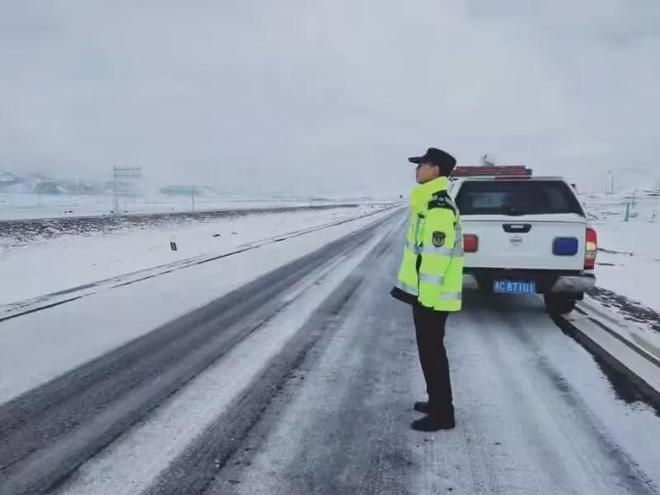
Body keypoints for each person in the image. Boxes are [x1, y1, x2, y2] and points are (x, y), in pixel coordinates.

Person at [390, 147, 464, 432]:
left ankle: (443, 413)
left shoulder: (438, 205)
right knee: (428, 350)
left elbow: (436, 255)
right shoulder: (429, 201)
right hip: (426, 295)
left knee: (432, 352)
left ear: (436, 170)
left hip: (431, 297)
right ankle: (437, 402)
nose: (417, 169)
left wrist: (428, 298)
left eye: (421, 165)